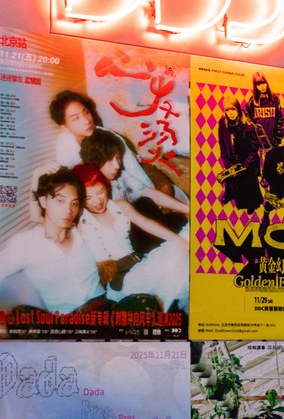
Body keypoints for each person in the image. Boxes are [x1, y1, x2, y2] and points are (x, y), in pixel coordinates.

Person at [72, 163, 189, 312]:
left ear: (106, 186)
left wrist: (178, 240)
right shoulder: (80, 219)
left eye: (100, 192)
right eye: (88, 197)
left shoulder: (120, 206)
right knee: (174, 266)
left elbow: (146, 222)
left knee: (184, 242)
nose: (97, 201)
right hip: (122, 280)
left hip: (141, 264)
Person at [0, 167, 105, 314]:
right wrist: (37, 175)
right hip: (69, 319)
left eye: (74, 203)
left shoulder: (80, 229)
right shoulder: (26, 243)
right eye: (60, 201)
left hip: (105, 305)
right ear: (44, 201)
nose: (68, 211)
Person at [80, 128, 189, 251]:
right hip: (126, 242)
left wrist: (189, 209)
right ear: (94, 163)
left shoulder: (120, 177)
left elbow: (151, 194)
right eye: (109, 160)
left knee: (153, 206)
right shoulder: (90, 190)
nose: (117, 165)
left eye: (118, 158)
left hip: (143, 225)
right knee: (146, 206)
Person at [218, 94, 264, 215]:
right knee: (232, 180)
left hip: (247, 161)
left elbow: (254, 149)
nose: (231, 113)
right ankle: (230, 194)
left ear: (238, 109)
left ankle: (251, 204)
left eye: (233, 109)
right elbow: (222, 144)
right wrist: (227, 163)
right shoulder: (223, 123)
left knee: (248, 183)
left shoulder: (248, 126)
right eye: (227, 110)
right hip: (232, 158)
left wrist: (245, 164)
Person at [242, 72, 284, 152]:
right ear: (255, 86)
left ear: (267, 83)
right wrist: (251, 130)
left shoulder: (274, 99)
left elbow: (280, 119)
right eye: (258, 84)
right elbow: (245, 114)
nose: (262, 86)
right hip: (256, 145)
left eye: (263, 83)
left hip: (271, 142)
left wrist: (278, 138)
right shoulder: (252, 101)